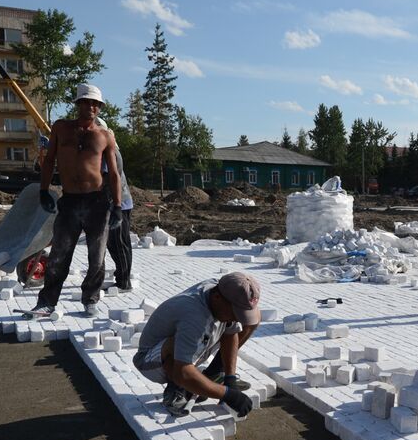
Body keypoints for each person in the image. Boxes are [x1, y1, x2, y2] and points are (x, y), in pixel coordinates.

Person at [28, 82, 121, 319]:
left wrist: (118, 206)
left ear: (99, 108)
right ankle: (47, 302)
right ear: (78, 104)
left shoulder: (104, 135)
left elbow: (113, 172)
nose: (91, 107)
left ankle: (90, 299)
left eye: (95, 104)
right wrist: (44, 190)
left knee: (96, 256)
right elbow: (49, 161)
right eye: (87, 102)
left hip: (97, 203)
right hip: (69, 201)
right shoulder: (60, 128)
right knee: (60, 253)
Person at [132, 273, 262, 420]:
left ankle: (213, 374)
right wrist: (227, 394)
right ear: (217, 298)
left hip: (191, 347)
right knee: (176, 348)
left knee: (251, 320)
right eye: (234, 312)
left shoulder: (220, 291)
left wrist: (229, 380)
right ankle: (176, 389)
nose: (235, 318)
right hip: (151, 360)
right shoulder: (194, 316)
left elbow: (231, 330)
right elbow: (183, 372)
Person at [103, 125, 135, 291]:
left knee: (118, 243)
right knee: (119, 242)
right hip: (121, 202)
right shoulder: (110, 150)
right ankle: (123, 277)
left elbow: (108, 178)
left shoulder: (110, 153)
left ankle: (124, 281)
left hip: (119, 204)